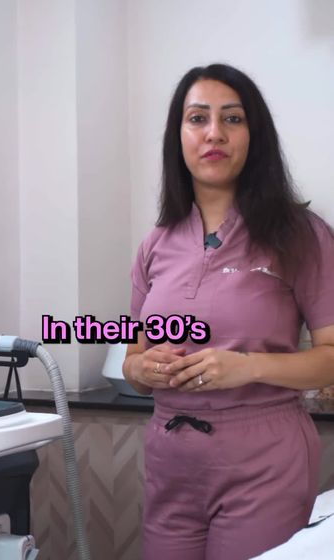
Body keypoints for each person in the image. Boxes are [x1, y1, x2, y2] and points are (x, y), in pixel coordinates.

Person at [122, 63, 334, 560]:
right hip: (170, 460)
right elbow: (132, 361)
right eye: (198, 118)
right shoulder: (156, 243)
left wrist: (247, 367)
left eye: (232, 119)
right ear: (178, 137)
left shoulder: (302, 235)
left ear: (253, 136)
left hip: (264, 462)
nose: (214, 133)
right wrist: (143, 368)